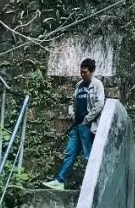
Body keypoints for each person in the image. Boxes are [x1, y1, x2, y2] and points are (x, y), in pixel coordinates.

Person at [43, 58, 105, 190]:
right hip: (76, 126)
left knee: (88, 156)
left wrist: (87, 119)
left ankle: (91, 185)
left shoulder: (97, 85)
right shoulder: (79, 85)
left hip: (87, 126)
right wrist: (72, 114)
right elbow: (73, 102)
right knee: (70, 153)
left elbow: (100, 104)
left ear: (92, 71)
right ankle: (60, 181)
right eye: (81, 72)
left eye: (85, 72)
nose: (82, 74)